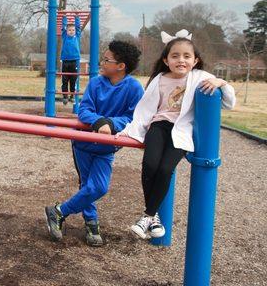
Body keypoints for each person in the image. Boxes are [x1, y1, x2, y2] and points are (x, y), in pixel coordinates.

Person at [118, 30, 235, 240]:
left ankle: (148, 216)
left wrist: (221, 83)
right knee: (150, 165)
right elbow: (145, 109)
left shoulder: (200, 77)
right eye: (175, 56)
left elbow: (228, 102)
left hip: (182, 130)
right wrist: (129, 130)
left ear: (195, 60)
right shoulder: (159, 79)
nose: (181, 60)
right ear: (166, 60)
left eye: (186, 56)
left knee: (165, 169)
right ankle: (152, 218)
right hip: (159, 126)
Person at [45, 40, 144, 246]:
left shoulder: (133, 88)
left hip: (107, 146)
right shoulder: (96, 83)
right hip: (84, 142)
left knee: (99, 187)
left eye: (106, 60)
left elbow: (134, 117)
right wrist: (98, 121)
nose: (101, 62)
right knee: (86, 184)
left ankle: (58, 211)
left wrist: (111, 123)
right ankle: (91, 223)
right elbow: (84, 110)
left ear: (120, 66)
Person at [60, 16, 82, 104]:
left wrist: (77, 17)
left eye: (73, 30)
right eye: (69, 30)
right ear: (67, 31)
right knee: (64, 80)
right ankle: (65, 96)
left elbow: (78, 27)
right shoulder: (65, 36)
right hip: (65, 61)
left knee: (73, 79)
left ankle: (72, 96)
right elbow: (63, 26)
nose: (71, 31)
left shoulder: (77, 36)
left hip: (75, 60)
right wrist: (64, 17)